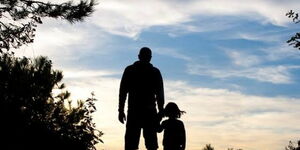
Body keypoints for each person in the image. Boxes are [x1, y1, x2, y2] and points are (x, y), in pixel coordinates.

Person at [118, 47, 164, 150]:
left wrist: (121, 110)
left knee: (135, 144)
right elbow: (160, 95)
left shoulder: (130, 70)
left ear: (139, 56)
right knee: (145, 144)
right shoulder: (154, 72)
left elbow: (123, 92)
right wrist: (160, 111)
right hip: (146, 112)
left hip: (139, 112)